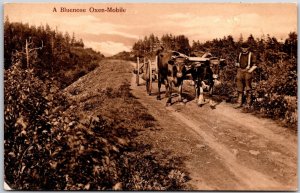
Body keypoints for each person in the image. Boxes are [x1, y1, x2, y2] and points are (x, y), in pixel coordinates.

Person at [235, 42, 257, 108]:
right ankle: (239, 103)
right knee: (239, 87)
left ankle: (248, 104)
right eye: (243, 47)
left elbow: (255, 65)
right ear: (241, 48)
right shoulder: (239, 54)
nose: (244, 49)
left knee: (248, 88)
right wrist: (237, 65)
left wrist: (250, 71)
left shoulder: (251, 54)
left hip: (248, 71)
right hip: (240, 71)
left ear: (248, 48)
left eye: (245, 48)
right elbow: (236, 62)